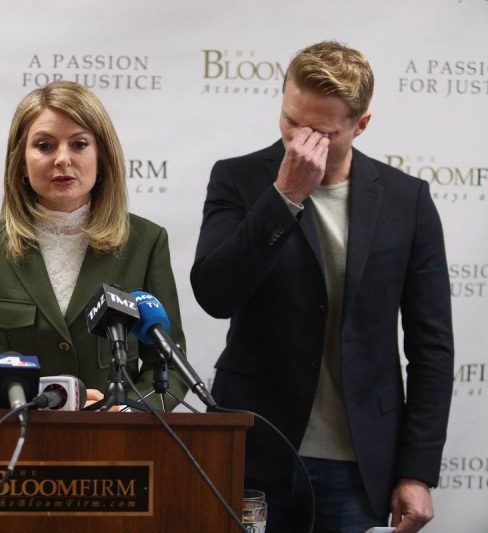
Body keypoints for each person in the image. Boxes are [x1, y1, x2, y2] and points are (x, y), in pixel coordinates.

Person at [191, 41, 453, 533]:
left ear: (361, 125)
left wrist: (417, 470)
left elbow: (432, 346)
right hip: (254, 448)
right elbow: (213, 293)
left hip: (355, 461)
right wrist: (284, 196)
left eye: (321, 132)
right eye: (292, 121)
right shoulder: (238, 178)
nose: (300, 142)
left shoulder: (406, 200)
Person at [0, 80, 186, 410]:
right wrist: (18, 407)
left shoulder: (146, 243)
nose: (62, 159)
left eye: (79, 144)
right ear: (20, 162)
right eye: (44, 145)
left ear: (102, 157)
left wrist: (129, 413)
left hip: (117, 447)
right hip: (20, 442)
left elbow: (168, 366)